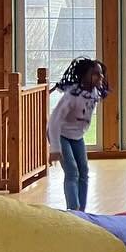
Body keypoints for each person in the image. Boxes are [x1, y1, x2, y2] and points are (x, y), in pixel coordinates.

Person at [46, 57, 110, 211]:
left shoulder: (95, 92)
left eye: (101, 74)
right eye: (96, 74)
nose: (100, 77)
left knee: (84, 171)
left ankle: (82, 211)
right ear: (84, 76)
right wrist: (55, 148)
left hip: (77, 136)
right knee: (72, 171)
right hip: (60, 134)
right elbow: (54, 120)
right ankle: (73, 210)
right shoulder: (72, 96)